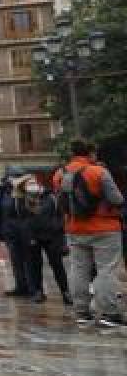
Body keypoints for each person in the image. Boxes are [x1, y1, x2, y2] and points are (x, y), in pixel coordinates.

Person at [52, 140, 125, 327]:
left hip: (74, 228)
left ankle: (81, 312)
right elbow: (116, 198)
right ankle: (110, 313)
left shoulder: (60, 174)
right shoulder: (98, 171)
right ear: (91, 153)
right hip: (104, 228)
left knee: (78, 269)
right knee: (106, 270)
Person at [13, 175, 71, 305]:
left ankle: (65, 292)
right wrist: (29, 236)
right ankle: (38, 292)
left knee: (57, 265)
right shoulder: (20, 200)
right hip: (32, 238)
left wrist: (57, 231)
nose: (32, 185)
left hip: (51, 236)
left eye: (34, 182)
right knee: (34, 266)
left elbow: (59, 215)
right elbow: (22, 220)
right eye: (28, 183)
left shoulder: (50, 197)